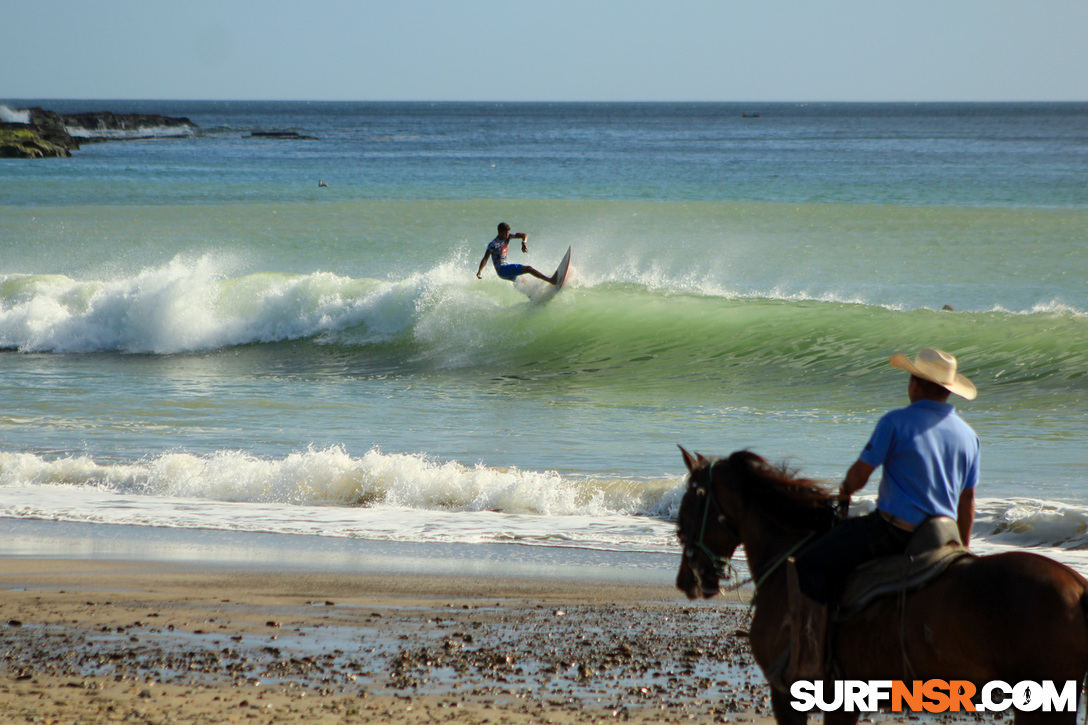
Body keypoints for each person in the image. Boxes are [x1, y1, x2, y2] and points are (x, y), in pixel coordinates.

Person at [787, 347, 980, 681]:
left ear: (915, 384)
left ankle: (810, 660)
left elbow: (860, 475)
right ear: (949, 391)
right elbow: (967, 501)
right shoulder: (969, 435)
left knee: (809, 563)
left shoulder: (896, 422)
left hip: (896, 531)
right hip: (944, 535)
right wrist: (962, 545)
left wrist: (845, 490)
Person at [476, 222, 557, 285]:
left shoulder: (508, 236)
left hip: (505, 270)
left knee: (523, 281)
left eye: (508, 233)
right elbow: (485, 259)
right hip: (502, 269)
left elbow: (524, 235)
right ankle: (550, 280)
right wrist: (480, 271)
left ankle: (533, 296)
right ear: (500, 232)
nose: (508, 235)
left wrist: (524, 243)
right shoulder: (493, 244)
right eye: (505, 233)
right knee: (529, 269)